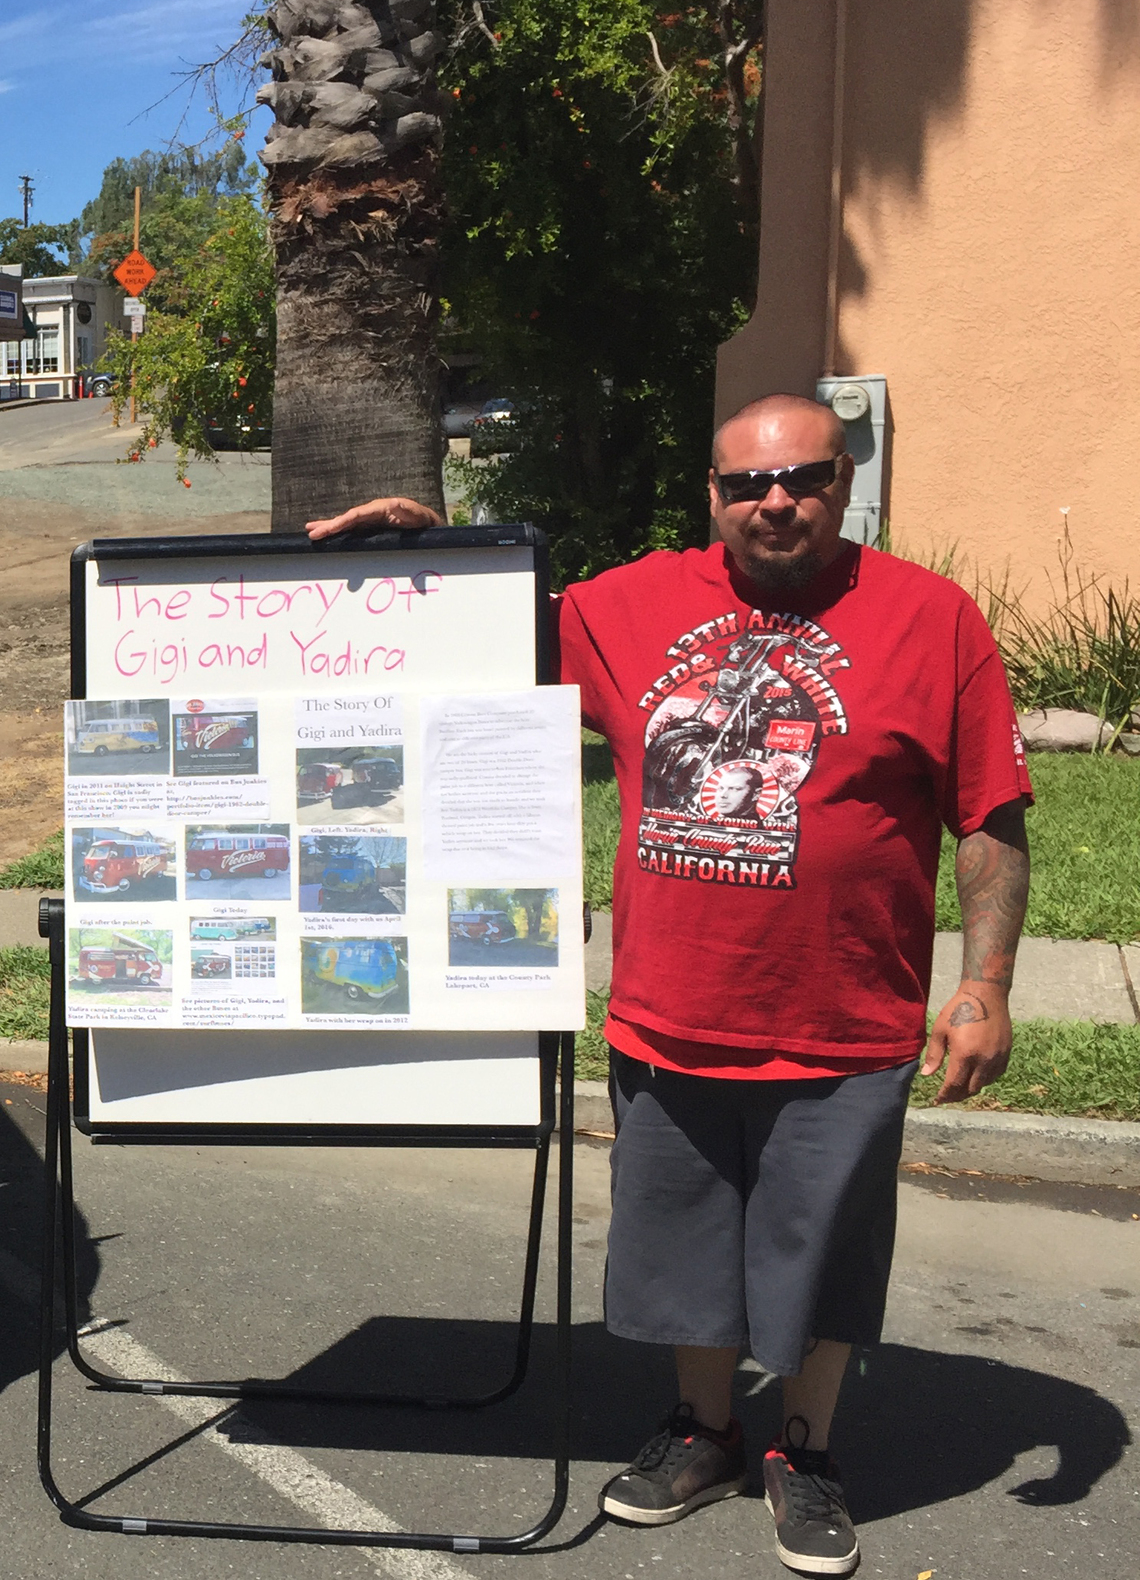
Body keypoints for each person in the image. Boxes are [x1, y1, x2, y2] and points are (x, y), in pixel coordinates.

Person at [307, 393, 1031, 1577]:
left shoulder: (930, 618)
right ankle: (704, 1429)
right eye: (746, 483)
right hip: (670, 1007)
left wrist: (984, 982)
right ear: (712, 494)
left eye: (800, 477)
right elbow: (483, 631)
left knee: (823, 1249)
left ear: (842, 482)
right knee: (681, 1245)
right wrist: (435, 549)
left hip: (844, 1017)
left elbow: (989, 812)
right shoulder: (629, 604)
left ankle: (804, 1449)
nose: (774, 501)